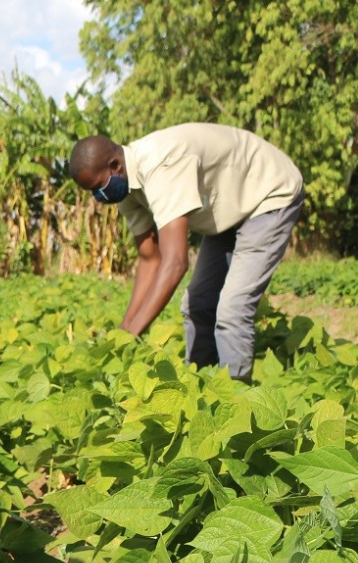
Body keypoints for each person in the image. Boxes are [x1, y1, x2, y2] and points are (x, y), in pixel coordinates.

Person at [69, 124, 304, 382]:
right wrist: (125, 330)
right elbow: (150, 259)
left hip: (267, 193)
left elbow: (175, 263)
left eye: (98, 187)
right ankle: (202, 389)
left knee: (232, 309)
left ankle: (237, 401)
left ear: (115, 166)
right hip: (227, 209)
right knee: (198, 304)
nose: (99, 196)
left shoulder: (161, 165)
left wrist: (134, 332)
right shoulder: (124, 188)